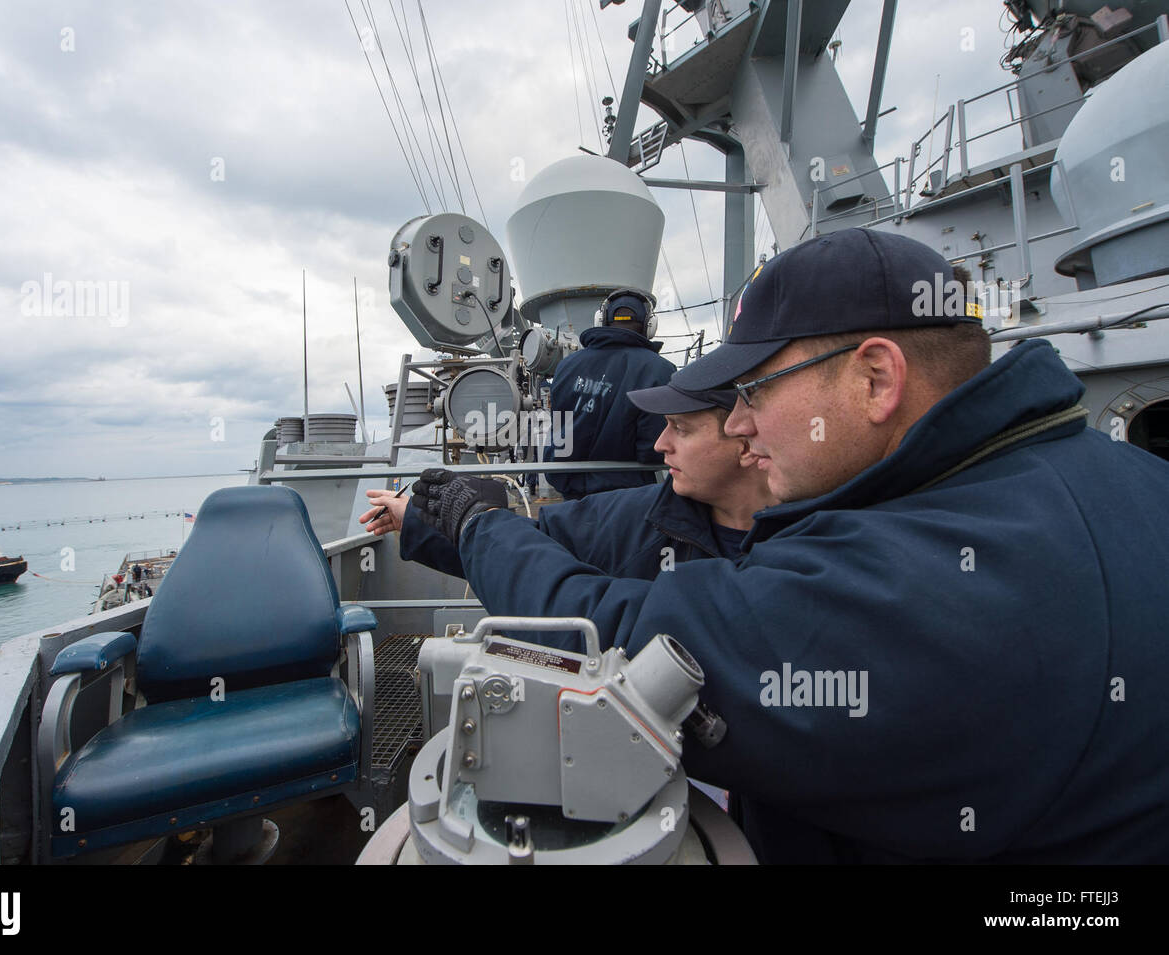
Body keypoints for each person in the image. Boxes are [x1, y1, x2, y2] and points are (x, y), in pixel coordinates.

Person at [409, 227, 1169, 863]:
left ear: (876, 379)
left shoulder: (922, 576)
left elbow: (636, 660)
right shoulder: (1124, 479)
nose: (739, 426)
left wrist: (479, 525)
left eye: (755, 392)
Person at [360, 381, 777, 579]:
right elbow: (538, 537)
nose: (660, 445)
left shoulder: (820, 546)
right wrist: (416, 519)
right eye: (664, 427)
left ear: (745, 440)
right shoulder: (635, 517)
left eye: (681, 429)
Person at [541, 289, 675, 500]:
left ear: (601, 320)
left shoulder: (567, 366)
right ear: (650, 325)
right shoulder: (660, 371)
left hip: (569, 494)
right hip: (627, 499)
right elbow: (652, 450)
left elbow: (559, 430)